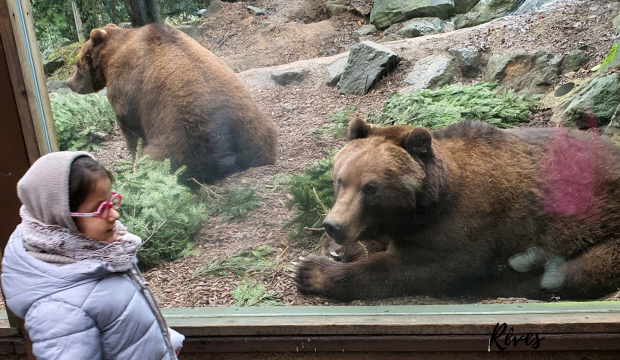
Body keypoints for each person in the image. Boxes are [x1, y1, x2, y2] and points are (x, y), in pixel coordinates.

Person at [1, 151, 184, 359]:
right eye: (99, 209)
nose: (114, 214)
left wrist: (164, 343)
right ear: (62, 219)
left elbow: (121, 317)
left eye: (110, 201)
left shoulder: (98, 253)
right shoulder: (59, 309)